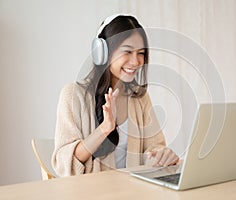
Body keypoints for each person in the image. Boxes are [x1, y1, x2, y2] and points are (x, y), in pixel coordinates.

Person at [52, 14, 179, 177]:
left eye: (141, 53)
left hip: (133, 191)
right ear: (102, 52)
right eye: (128, 51)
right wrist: (104, 129)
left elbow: (153, 147)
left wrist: (161, 155)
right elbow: (64, 163)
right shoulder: (73, 95)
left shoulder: (139, 98)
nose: (136, 61)